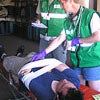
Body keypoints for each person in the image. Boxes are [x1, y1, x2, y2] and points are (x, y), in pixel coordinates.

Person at [31, 0, 100, 92]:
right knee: (79, 89)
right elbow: (60, 38)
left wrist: (79, 41)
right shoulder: (69, 20)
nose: (62, 7)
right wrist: (44, 52)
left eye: (62, 4)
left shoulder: (90, 15)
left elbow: (98, 36)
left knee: (94, 92)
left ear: (70, 1)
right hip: (77, 61)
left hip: (91, 61)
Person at [18, 58, 84, 100]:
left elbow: (23, 73)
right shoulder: (75, 82)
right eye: (69, 82)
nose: (65, 80)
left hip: (23, 65)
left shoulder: (44, 94)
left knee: (9, 60)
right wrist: (33, 65)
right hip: (39, 60)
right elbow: (56, 63)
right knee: (32, 54)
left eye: (62, 85)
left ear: (58, 96)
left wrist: (30, 66)